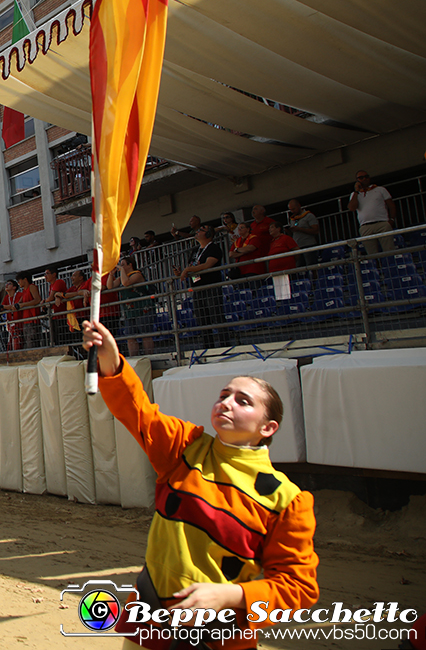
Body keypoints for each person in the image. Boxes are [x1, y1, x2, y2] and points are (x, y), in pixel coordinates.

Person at [81, 318, 319, 649]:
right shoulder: (185, 447)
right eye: (224, 394)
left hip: (219, 641)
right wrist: (111, 360)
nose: (227, 402)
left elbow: (298, 587)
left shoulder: (287, 500)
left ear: (268, 428)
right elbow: (138, 412)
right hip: (148, 626)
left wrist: (233, 594)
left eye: (243, 400)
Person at [173, 225, 224, 349]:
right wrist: (181, 273)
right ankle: (208, 346)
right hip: (197, 288)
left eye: (201, 230)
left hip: (211, 286)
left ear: (208, 234)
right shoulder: (196, 251)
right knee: (202, 319)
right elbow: (193, 268)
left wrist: (188, 269)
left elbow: (208, 265)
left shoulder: (213, 248)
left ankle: (224, 344)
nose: (197, 232)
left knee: (216, 316)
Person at [348, 170, 397, 254]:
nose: (364, 179)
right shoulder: (354, 194)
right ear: (357, 180)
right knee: (372, 254)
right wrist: (356, 191)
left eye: (366, 177)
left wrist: (391, 220)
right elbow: (352, 208)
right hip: (366, 226)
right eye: (361, 177)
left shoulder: (380, 189)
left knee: (389, 251)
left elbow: (391, 206)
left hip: (382, 223)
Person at [117, 256, 154, 357]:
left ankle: (148, 356)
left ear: (130, 265)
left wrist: (122, 271)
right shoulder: (123, 276)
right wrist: (111, 274)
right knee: (130, 336)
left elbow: (126, 283)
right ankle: (133, 357)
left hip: (142, 308)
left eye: (123, 264)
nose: (121, 266)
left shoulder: (137, 274)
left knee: (145, 334)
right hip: (129, 311)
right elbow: (111, 286)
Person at [10, 272, 42, 350]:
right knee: (28, 343)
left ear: (25, 279)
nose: (18, 283)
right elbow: (19, 303)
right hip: (26, 321)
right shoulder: (24, 291)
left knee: (32, 343)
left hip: (33, 320)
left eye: (19, 280)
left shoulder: (32, 287)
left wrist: (23, 305)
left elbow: (37, 300)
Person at [284, 199, 321, 266]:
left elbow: (316, 230)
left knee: (311, 266)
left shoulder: (309, 216)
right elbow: (294, 234)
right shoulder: (293, 219)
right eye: (291, 210)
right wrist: (289, 231)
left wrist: (300, 229)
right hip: (297, 246)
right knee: (300, 266)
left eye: (294, 209)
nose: (292, 211)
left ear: (299, 206)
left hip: (308, 245)